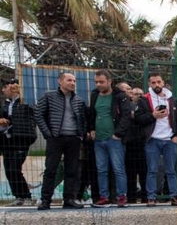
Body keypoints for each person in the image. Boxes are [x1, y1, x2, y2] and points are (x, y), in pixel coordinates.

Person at [35, 72, 88, 210]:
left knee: (72, 170)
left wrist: (81, 135)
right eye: (69, 80)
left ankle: (69, 198)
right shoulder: (48, 96)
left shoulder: (79, 100)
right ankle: (46, 200)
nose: (72, 83)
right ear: (60, 81)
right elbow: (39, 115)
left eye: (74, 81)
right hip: (55, 138)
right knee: (51, 169)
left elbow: (83, 119)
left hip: (73, 139)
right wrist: (48, 134)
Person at [134, 73, 177, 207]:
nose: (156, 85)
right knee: (152, 169)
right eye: (153, 83)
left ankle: (174, 196)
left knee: (171, 170)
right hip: (152, 139)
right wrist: (153, 115)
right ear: (149, 84)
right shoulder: (144, 99)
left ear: (163, 83)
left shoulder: (172, 100)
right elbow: (138, 119)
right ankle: (151, 197)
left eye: (158, 82)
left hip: (169, 139)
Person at [88, 70, 132, 208]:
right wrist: (91, 129)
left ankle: (121, 196)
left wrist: (118, 134)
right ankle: (103, 197)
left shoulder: (120, 96)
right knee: (101, 169)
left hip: (114, 139)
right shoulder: (95, 95)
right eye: (96, 82)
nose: (98, 84)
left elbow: (126, 116)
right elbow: (91, 113)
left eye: (101, 82)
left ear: (109, 81)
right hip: (98, 139)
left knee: (118, 168)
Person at [0, 78, 37, 206]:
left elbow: (33, 110)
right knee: (9, 170)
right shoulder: (6, 104)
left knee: (15, 168)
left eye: (6, 87)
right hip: (7, 140)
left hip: (22, 139)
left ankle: (27, 197)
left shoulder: (25, 101)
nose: (4, 90)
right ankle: (18, 196)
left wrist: (21, 93)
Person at [125, 86, 148, 203]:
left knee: (144, 171)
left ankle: (145, 196)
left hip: (142, 142)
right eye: (136, 93)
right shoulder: (126, 106)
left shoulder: (145, 106)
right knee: (131, 173)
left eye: (140, 93)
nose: (138, 96)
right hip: (129, 142)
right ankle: (131, 198)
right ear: (131, 95)